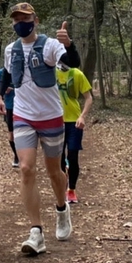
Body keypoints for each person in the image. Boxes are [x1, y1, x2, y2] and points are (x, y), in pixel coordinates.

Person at [0, 3, 82, 256]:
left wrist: (69, 44)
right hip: (23, 115)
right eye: (16, 19)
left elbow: (73, 62)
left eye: (25, 17)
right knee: (26, 168)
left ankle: (62, 209)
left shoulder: (50, 45)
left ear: (36, 19)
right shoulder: (11, 50)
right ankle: (36, 232)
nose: (20, 22)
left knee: (55, 172)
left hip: (51, 116)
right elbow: (7, 76)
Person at [57, 64, 93, 204]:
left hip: (74, 121)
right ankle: (61, 188)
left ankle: (71, 190)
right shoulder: (51, 73)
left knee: (73, 156)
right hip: (56, 122)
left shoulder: (77, 74)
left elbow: (88, 98)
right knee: (58, 159)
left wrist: (82, 116)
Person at [0, 67, 19, 168]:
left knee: (21, 132)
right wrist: (3, 90)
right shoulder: (2, 71)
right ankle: (16, 156)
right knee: (11, 134)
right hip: (9, 106)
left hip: (22, 106)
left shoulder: (22, 69)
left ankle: (24, 155)